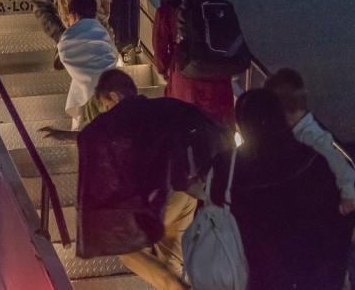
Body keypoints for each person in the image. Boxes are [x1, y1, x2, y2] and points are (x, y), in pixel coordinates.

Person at [44, 69, 226, 290]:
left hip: (160, 196)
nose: (107, 111)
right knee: (170, 259)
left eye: (106, 105)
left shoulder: (125, 115)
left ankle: (175, 286)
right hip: (186, 192)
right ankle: (175, 284)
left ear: (113, 96)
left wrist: (65, 135)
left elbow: (97, 135)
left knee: (124, 247)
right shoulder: (163, 107)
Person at [207, 89, 354, 290]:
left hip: (256, 275)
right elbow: (340, 219)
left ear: (241, 124)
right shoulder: (312, 159)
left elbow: (211, 215)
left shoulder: (226, 166)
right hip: (312, 272)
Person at [264, 68, 355, 290]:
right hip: (333, 230)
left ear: (284, 112)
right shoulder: (308, 134)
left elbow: (343, 171)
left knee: (346, 269)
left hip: (331, 228)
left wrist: (348, 197)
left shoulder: (310, 140)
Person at [153, 0, 234, 126]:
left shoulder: (166, 12)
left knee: (186, 122)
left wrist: (163, 70)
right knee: (219, 124)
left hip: (186, 73)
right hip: (218, 73)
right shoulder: (208, 7)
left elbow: (160, 48)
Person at [56, 0, 119, 129]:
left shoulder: (68, 36)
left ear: (73, 15)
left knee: (85, 126)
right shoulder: (103, 32)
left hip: (86, 95)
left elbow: (65, 56)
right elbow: (114, 54)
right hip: (110, 89)